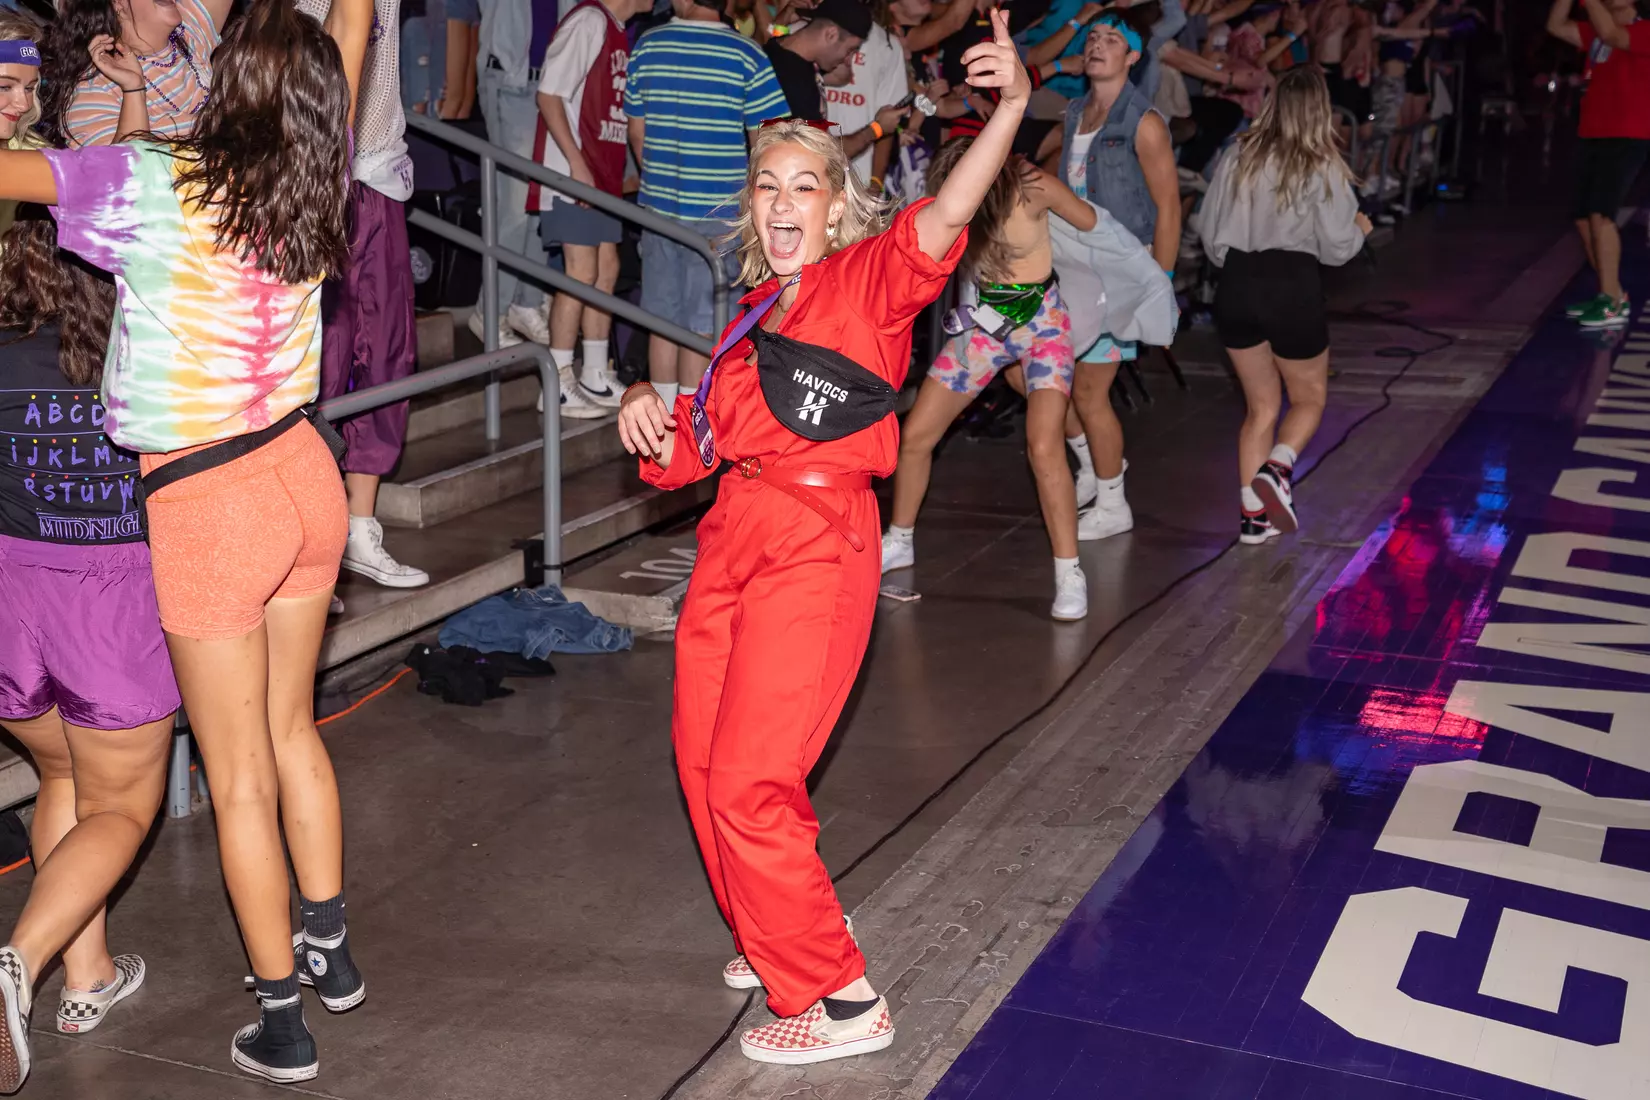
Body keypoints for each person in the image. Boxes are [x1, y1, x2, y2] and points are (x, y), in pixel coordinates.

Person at [613, 10, 1028, 1063]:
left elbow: (946, 215)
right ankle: (772, 930)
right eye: (770, 184)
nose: (785, 199)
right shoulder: (752, 310)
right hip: (733, 533)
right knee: (705, 761)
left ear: (837, 207)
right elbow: (695, 449)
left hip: (815, 537)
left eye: (806, 183)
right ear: (752, 205)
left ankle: (842, 997)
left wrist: (1010, 109)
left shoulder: (868, 285)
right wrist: (651, 421)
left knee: (754, 775)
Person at [0, 0, 373, 1082]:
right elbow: (342, 52)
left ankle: (282, 1019)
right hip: (304, 468)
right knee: (294, 727)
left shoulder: (150, 184)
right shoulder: (317, 172)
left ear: (230, 87)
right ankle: (332, 946)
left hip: (209, 497)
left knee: (238, 769)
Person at [0, 98, 176, 1100]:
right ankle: (16, 961)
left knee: (63, 782)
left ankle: (88, 974)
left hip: (10, 602)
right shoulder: (148, 361)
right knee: (122, 803)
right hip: (108, 604)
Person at [884, 142, 1095, 619]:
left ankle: (1069, 573)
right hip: (984, 327)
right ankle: (899, 542)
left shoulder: (1032, 185)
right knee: (915, 436)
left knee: (1043, 446)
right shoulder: (953, 200)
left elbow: (1087, 221)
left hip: (1043, 326)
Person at [1197, 66, 1369, 544]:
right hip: (1291, 283)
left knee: (1260, 409)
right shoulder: (1323, 163)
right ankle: (1278, 468)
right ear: (1320, 110)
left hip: (1237, 282)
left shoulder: (1238, 155)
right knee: (1309, 398)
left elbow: (1209, 234)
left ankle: (1253, 520)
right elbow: (1337, 248)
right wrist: (1362, 231)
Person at [299, 0, 432, 598]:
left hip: (378, 175)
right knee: (321, 357)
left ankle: (360, 528)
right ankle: (314, 533)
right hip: (317, 176)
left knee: (385, 354)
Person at [624, 0, 786, 403]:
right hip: (721, 215)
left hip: (659, 208)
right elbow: (769, 144)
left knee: (662, 319)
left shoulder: (648, 46)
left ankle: (659, 424)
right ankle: (690, 426)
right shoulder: (747, 55)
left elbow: (636, 132)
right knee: (703, 325)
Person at [1057, 11, 1178, 535]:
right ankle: (1093, 467)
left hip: (1117, 273)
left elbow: (1169, 206)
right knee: (1046, 384)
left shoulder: (1143, 122)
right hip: (1071, 269)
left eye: (1112, 39)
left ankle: (1113, 504)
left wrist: (1160, 287)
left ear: (1133, 56)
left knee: (1088, 392)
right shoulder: (1073, 114)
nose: (1098, 45)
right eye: (1093, 38)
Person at [535, 0, 649, 414]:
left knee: (607, 270)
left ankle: (595, 373)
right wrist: (577, 165)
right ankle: (557, 381)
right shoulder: (588, 20)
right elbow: (549, 95)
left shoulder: (616, 29)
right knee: (581, 272)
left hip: (601, 177)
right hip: (573, 175)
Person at [1548, 0, 1650, 328]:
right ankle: (1613, 295)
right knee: (1582, 217)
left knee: (1601, 214)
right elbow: (1555, 25)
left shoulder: (1644, 30)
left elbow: (1611, 33)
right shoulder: (1593, 30)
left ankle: (1609, 301)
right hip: (1592, 131)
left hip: (1629, 132)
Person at [470, 0, 561, 346]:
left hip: (549, 88)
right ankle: (490, 311)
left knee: (540, 201)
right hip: (511, 83)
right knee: (515, 206)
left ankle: (527, 301)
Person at [39, 0, 232, 147]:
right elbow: (122, 176)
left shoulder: (188, 31)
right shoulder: (93, 92)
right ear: (117, 3)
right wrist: (133, 89)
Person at [823, 0, 917, 190]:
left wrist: (875, 183)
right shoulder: (815, 26)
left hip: (859, 176)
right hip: (809, 169)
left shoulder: (886, 45)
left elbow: (888, 119)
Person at [765, 0, 870, 118]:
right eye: (850, 50)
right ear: (831, 34)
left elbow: (843, 76)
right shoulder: (797, 86)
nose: (847, 60)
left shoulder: (781, 51)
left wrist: (782, 19)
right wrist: (876, 129)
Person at [0, 7, 42, 238]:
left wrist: (132, 89)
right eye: (4, 86)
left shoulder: (33, 150)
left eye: (29, 88)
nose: (24, 104)